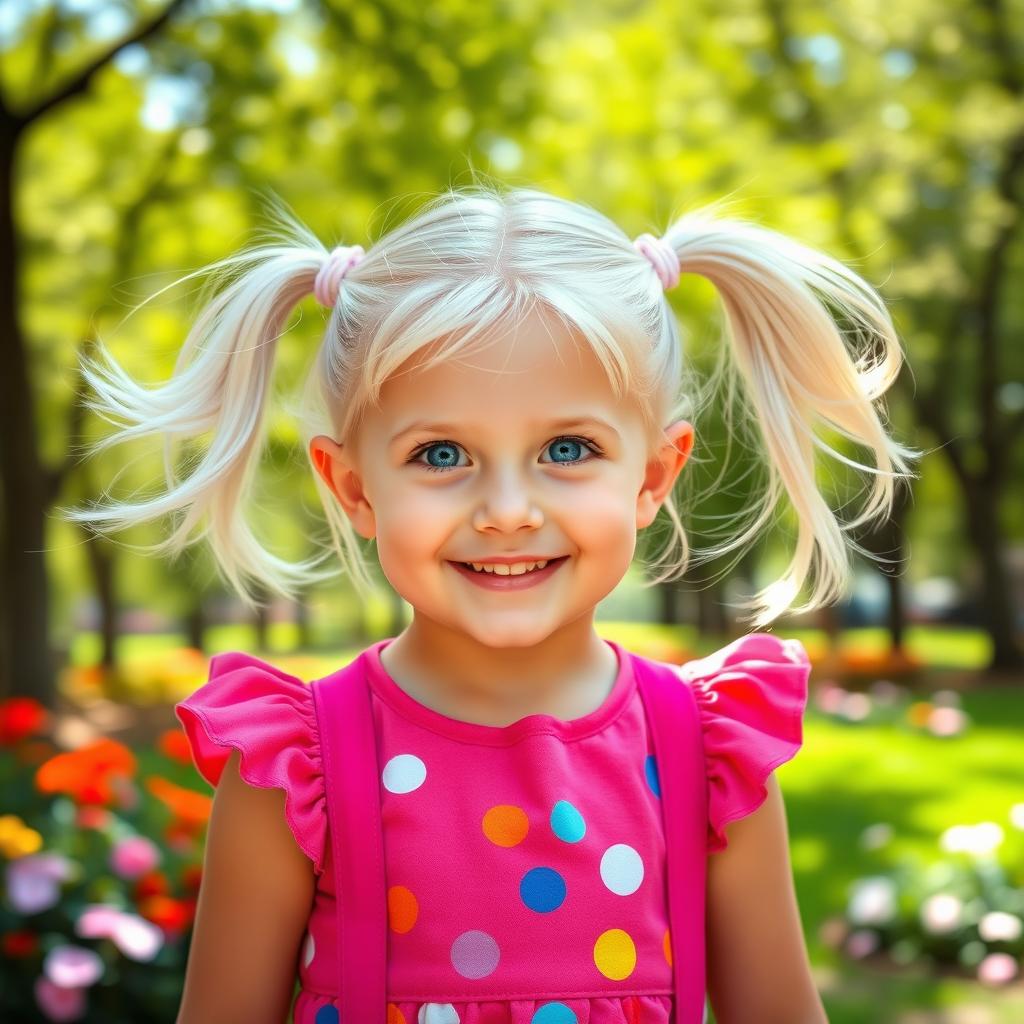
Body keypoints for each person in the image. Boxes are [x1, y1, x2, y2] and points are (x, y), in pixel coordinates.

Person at [63, 183, 919, 1024]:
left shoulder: (709, 756)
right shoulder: (296, 771)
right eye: (440, 455)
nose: (507, 508)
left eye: (568, 448)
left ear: (653, 477)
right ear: (354, 487)